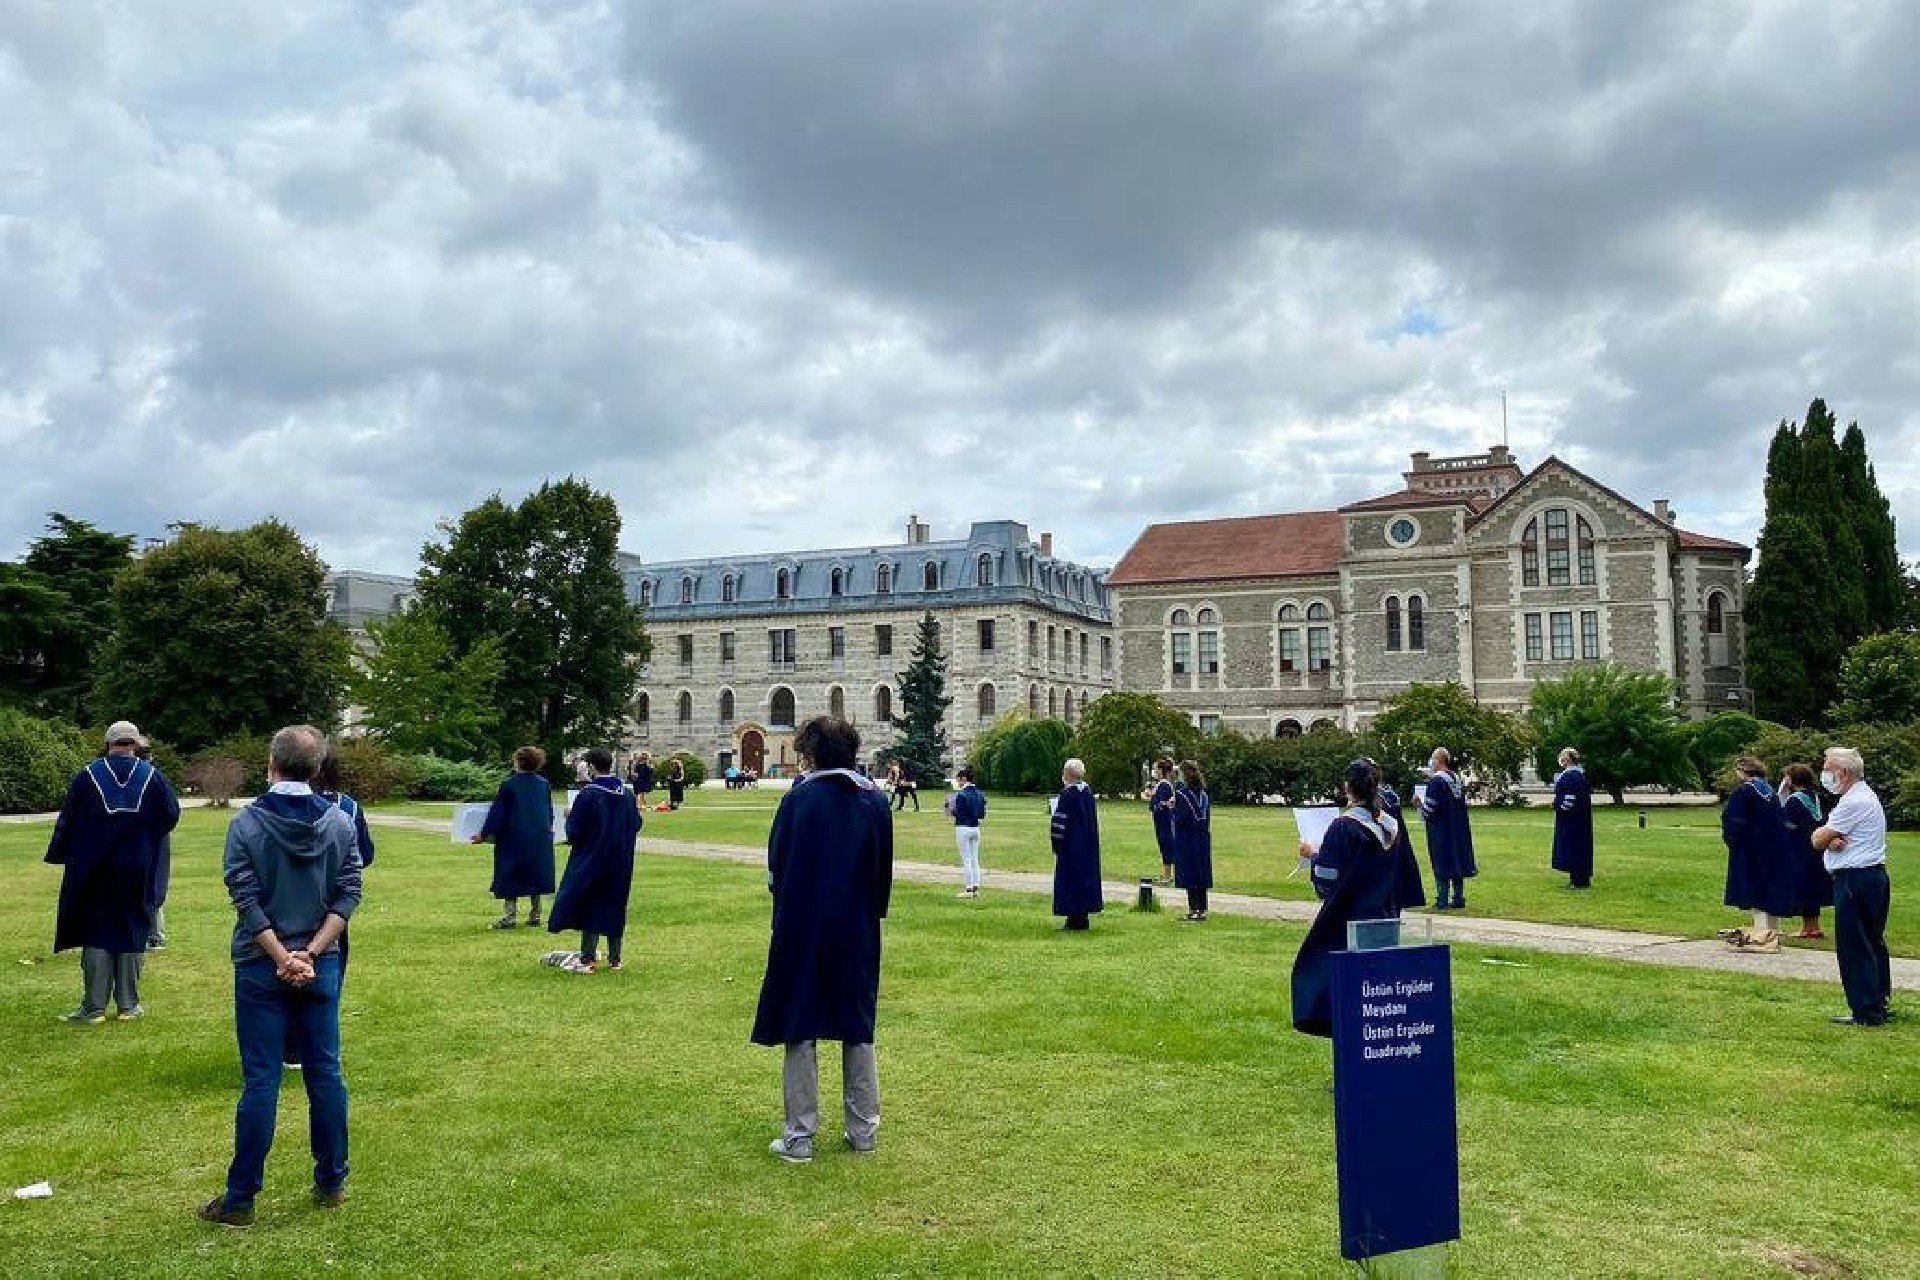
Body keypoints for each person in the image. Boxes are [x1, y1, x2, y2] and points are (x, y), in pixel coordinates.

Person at [198, 725, 361, 1227]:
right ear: (316, 769)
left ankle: (241, 1197)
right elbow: (349, 893)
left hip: (259, 963)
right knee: (325, 1073)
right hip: (320, 961)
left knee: (262, 1080)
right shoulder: (339, 821)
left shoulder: (246, 824)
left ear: (271, 763)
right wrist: (309, 953)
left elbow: (244, 897)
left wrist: (280, 956)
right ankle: (331, 1181)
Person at [752, 715, 893, 1163]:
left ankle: (799, 1135)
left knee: (802, 1024)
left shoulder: (800, 800)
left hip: (803, 923)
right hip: (856, 923)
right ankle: (863, 1129)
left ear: (810, 753)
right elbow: (882, 870)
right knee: (857, 1026)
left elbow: (778, 863)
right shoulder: (874, 802)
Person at [45, 720, 181, 1024]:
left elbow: (67, 818)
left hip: (93, 867)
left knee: (96, 930)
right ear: (135, 744)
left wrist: (62, 853)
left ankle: (93, 1008)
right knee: (132, 928)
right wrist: (146, 837)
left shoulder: (88, 776)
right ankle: (128, 1006)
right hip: (136, 866)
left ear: (108, 744)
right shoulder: (152, 777)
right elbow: (171, 814)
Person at [1291, 760, 1406, 1037]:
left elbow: (1327, 880)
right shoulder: (1390, 826)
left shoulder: (1343, 827)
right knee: (1377, 997)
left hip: (1347, 923)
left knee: (1341, 995)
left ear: (1347, 787)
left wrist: (1312, 855)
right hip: (1383, 919)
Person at [287, 747, 377, 1069]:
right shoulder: (348, 808)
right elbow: (364, 856)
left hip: (288, 899)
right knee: (330, 970)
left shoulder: (281, 805)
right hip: (334, 906)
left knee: (285, 965)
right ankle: (318, 1042)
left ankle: (291, 1046)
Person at [1812, 747, 1893, 1027]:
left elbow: (1818, 838)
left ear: (1842, 773)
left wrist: (1824, 836)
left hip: (1854, 879)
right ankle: (1878, 1000)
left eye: (1827, 768)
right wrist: (1831, 838)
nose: (1824, 774)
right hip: (1873, 876)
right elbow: (1833, 836)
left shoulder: (1852, 802)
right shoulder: (1866, 797)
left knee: (1854, 945)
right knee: (1872, 940)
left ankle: (1866, 1010)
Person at [545, 748, 641, 974]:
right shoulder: (626, 793)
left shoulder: (589, 793)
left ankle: (588, 958)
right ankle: (615, 958)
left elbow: (576, 831)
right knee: (615, 902)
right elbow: (636, 823)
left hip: (593, 857)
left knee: (591, 903)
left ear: (591, 767)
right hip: (620, 858)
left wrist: (571, 815)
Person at [471, 746, 557, 929]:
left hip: (514, 835)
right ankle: (535, 914)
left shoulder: (509, 785)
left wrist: (484, 834)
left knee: (509, 872)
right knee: (536, 872)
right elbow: (549, 811)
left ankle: (510, 916)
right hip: (540, 835)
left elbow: (497, 813)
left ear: (519, 762)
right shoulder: (543, 784)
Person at [1719, 756, 1797, 953]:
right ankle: (1773, 933)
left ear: (1742, 770)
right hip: (1774, 847)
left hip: (1750, 848)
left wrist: (1732, 841)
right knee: (1770, 888)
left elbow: (1733, 820)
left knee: (1755, 891)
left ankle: (1762, 936)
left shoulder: (1744, 791)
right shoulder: (1770, 791)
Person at [1779, 763, 1832, 941]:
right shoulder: (1815, 798)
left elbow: (1788, 825)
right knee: (1813, 887)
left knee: (1803, 887)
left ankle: (1807, 929)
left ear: (1793, 779)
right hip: (1817, 850)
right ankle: (1814, 927)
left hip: (1799, 850)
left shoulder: (1795, 800)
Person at [1419, 747, 1476, 910]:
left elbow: (1429, 810)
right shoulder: (1456, 779)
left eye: (1433, 759)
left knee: (1441, 860)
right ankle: (1458, 898)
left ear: (1438, 760)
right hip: (1457, 827)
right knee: (1456, 859)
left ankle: (1442, 899)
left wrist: (1418, 806)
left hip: (1441, 829)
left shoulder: (1436, 781)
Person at [1050, 758, 1103, 931]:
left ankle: (1073, 919)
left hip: (1070, 845)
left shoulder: (1067, 795)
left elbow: (1059, 822)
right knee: (1084, 879)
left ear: (1067, 774)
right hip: (1087, 844)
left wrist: (1056, 843)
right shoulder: (1087, 793)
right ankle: (1082, 918)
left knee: (1070, 881)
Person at [136, 741, 172, 951]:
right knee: (152, 883)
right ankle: (153, 934)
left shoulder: (149, 778)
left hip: (151, 837)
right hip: (153, 836)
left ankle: (153, 935)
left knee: (152, 884)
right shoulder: (154, 778)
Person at [1171, 760, 1213, 922]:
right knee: (1200, 873)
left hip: (1187, 839)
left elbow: (1180, 819)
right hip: (1202, 838)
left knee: (1190, 873)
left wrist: (1173, 809)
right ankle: (1202, 909)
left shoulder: (1182, 795)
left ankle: (1193, 908)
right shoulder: (1204, 795)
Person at [1550, 748, 1594, 889]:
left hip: (1572, 820)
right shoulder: (1578, 775)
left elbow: (1568, 800)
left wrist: (1557, 805)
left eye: (1563, 756)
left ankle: (1578, 881)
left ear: (1569, 759)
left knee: (1573, 847)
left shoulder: (1571, 776)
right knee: (1580, 847)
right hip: (1580, 818)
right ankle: (1581, 879)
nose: (1560, 758)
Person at [947, 766, 987, 898]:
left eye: (958, 780)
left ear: (963, 779)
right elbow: (982, 814)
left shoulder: (961, 795)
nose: (958, 782)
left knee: (966, 859)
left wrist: (949, 809)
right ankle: (976, 886)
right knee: (975, 858)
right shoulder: (980, 794)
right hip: (975, 827)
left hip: (963, 827)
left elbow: (957, 812)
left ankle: (969, 889)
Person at [1148, 758, 1177, 885]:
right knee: (1163, 844)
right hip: (1160, 820)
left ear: (1160, 770)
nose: (1154, 771)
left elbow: (1162, 803)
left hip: (1164, 820)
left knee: (1166, 845)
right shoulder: (1160, 784)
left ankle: (1167, 876)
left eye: (1155, 768)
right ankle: (1166, 874)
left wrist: (1154, 801)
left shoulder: (1164, 784)